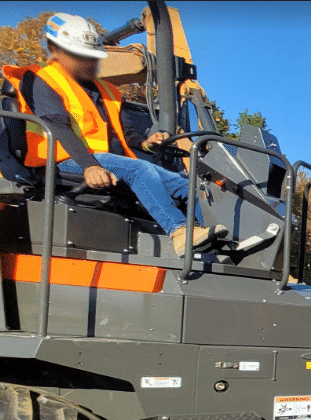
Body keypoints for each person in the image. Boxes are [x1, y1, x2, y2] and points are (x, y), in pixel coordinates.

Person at [2, 13, 212, 252]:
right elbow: (56, 125)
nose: (87, 62)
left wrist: (147, 144)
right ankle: (179, 232)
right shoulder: (41, 79)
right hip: (60, 159)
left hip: (105, 160)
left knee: (187, 185)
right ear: (55, 50)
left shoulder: (108, 91)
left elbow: (126, 134)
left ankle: (213, 242)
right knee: (138, 169)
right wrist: (90, 166)